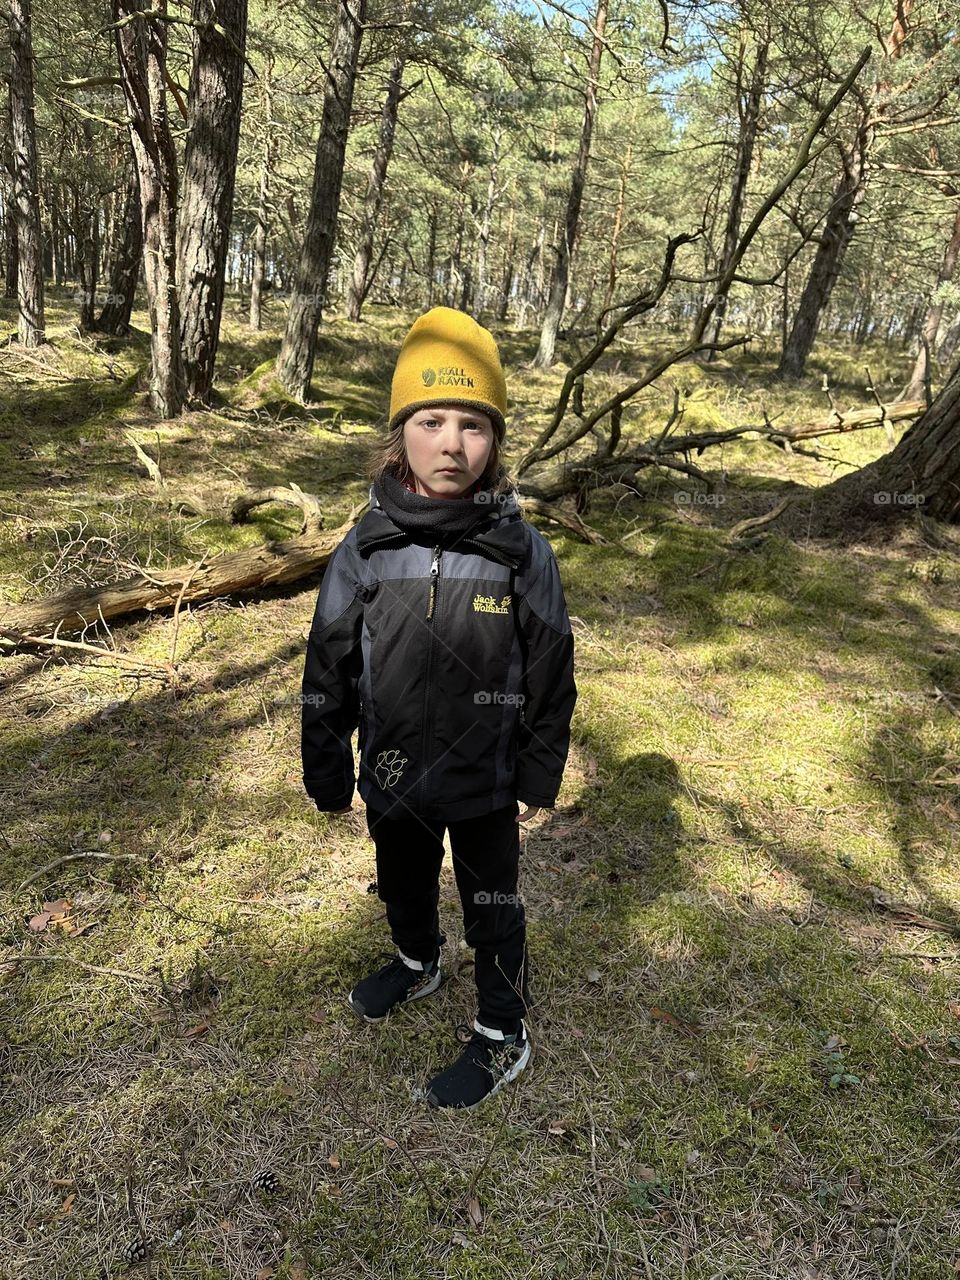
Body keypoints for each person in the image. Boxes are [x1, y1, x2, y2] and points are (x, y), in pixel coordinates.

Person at [301, 305, 577, 1110]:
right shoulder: (366, 547)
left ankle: (501, 1029)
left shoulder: (519, 551)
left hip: (484, 782)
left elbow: (553, 668)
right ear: (400, 437)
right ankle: (417, 960)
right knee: (402, 881)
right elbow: (328, 661)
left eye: (473, 424)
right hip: (392, 774)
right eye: (431, 421)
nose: (452, 443)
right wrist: (326, 763)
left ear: (494, 442)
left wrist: (537, 772)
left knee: (493, 905)